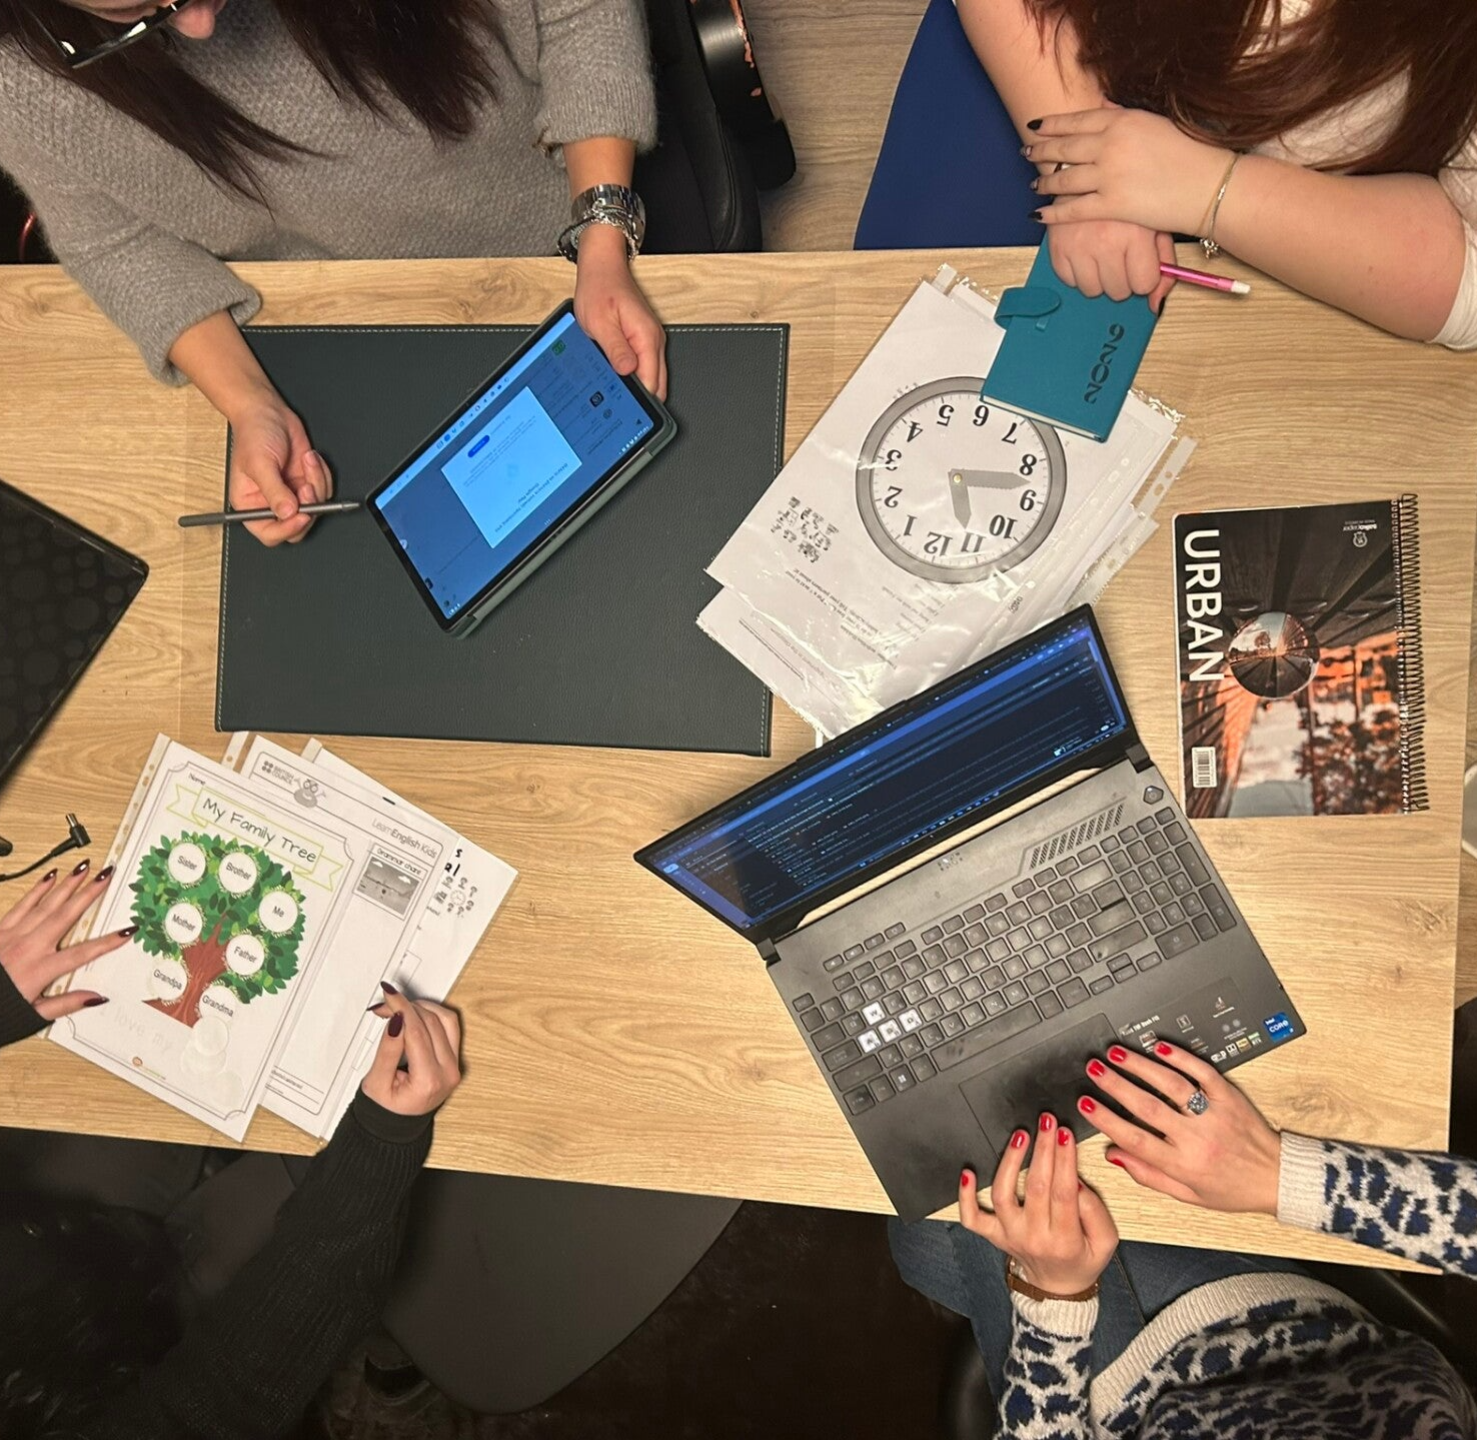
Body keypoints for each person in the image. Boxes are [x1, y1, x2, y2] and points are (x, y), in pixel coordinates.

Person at [0, 0, 666, 548]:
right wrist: (249, 405)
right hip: (339, 329)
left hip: (560, 234)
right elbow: (115, 242)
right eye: (131, 14)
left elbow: (582, 13)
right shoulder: (19, 72)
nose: (198, 27)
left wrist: (602, 238)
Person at [0, 862, 463, 1438]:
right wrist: (382, 1143)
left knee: (137, 1044)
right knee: (352, 1175)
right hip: (166, 1351)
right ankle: (391, 1357)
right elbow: (233, 1391)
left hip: (47, 1226)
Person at [892, 1039, 1477, 1438]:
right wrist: (1274, 1171)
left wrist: (1055, 1302)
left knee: (923, 1227)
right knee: (947, 1215)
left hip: (1120, 1412)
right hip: (1287, 1336)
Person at [857, 0, 1477, 347]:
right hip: (1056, 48)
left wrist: (1207, 191)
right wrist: (1083, 163)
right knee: (911, 333)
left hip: (1338, 203)